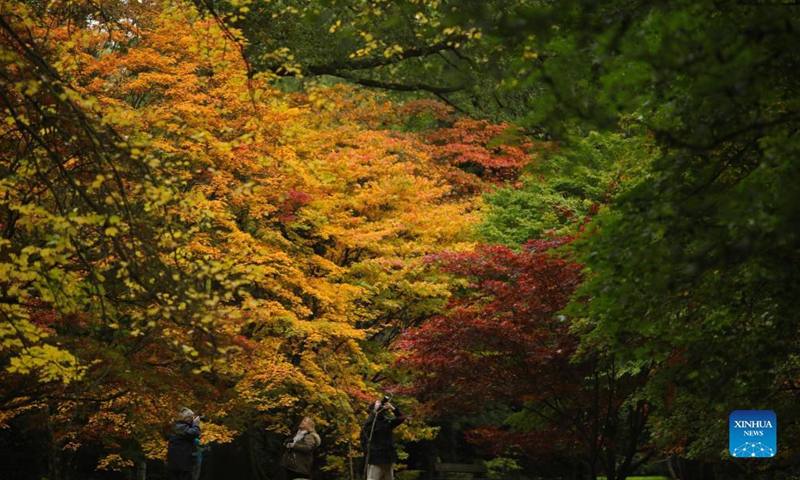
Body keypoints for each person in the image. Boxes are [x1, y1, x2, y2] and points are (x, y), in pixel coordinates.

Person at [361, 397, 406, 480]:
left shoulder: (387, 422)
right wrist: (374, 411)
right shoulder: (370, 424)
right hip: (375, 459)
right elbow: (366, 431)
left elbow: (402, 417)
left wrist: (391, 407)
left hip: (387, 459)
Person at [167, 407, 201, 480]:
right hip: (182, 464)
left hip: (179, 463)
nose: (192, 419)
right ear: (186, 418)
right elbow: (195, 433)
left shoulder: (177, 425)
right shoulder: (180, 427)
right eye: (191, 417)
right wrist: (196, 423)